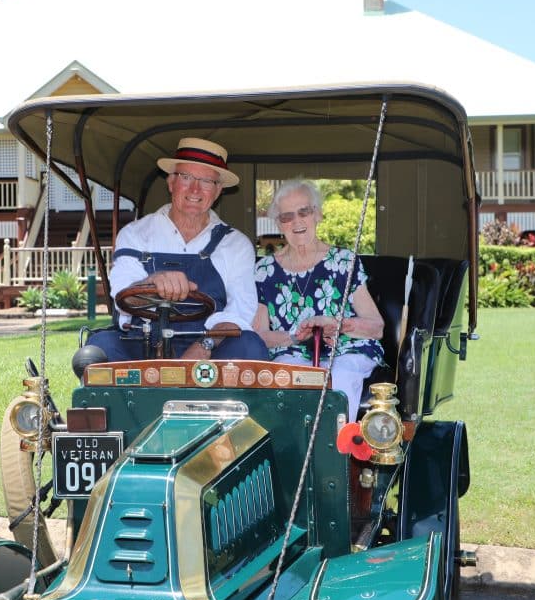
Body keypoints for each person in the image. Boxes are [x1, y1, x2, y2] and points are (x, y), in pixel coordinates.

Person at [88, 137, 268, 362]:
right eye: (186, 177)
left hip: (210, 346)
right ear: (171, 182)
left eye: (206, 181)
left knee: (250, 347)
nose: (195, 189)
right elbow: (123, 296)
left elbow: (241, 309)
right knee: (98, 348)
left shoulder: (235, 244)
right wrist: (152, 282)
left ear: (218, 190)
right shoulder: (135, 234)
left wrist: (204, 345)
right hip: (141, 343)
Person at [253, 179, 386, 421]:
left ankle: (335, 452)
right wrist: (294, 336)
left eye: (304, 212)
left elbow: (376, 328)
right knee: (287, 379)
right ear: (278, 224)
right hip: (292, 353)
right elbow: (258, 335)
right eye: (287, 216)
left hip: (346, 350)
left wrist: (338, 324)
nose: (297, 222)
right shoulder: (265, 270)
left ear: (318, 215)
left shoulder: (344, 262)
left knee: (340, 377)